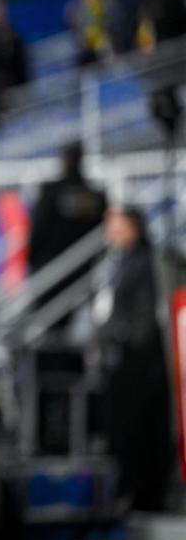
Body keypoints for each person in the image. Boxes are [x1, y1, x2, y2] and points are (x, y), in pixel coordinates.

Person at [94, 206, 172, 512]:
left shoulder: (143, 263)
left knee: (141, 435)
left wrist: (119, 338)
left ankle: (145, 495)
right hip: (124, 363)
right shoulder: (119, 263)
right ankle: (133, 491)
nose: (110, 231)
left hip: (139, 366)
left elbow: (143, 320)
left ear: (133, 228)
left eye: (116, 225)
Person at [28, 142, 107, 315]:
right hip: (83, 270)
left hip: (52, 271)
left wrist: (33, 261)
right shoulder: (94, 195)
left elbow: (39, 229)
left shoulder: (52, 191)